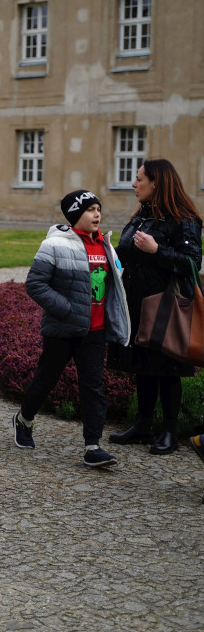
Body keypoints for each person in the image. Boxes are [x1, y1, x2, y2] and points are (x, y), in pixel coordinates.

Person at [13, 190, 130, 468]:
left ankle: (93, 446)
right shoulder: (54, 244)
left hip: (95, 331)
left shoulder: (106, 246)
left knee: (93, 386)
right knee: (46, 379)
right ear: (76, 215)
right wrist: (67, 309)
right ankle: (24, 419)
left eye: (98, 209)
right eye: (90, 210)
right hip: (62, 329)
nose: (97, 214)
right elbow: (35, 284)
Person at [108, 158, 203, 455]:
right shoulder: (142, 215)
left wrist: (157, 250)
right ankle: (144, 424)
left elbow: (192, 263)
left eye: (139, 179)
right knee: (143, 365)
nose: (133, 184)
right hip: (136, 301)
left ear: (156, 182)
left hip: (166, 305)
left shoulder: (183, 218)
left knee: (167, 367)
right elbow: (128, 251)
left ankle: (170, 431)